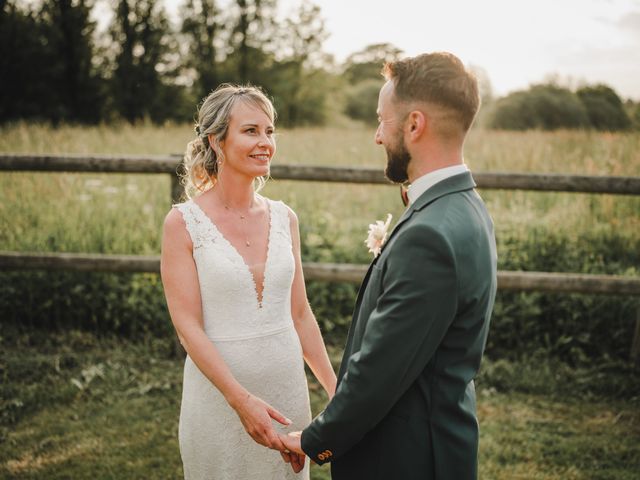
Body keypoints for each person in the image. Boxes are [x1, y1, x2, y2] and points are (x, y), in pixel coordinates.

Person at [279, 52, 498, 479]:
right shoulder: (467, 207)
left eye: (382, 120)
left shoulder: (429, 235)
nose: (378, 136)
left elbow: (380, 369)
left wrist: (314, 441)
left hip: (403, 459)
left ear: (415, 125)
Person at [160, 84, 336, 479]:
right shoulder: (182, 223)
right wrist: (241, 401)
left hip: (286, 395)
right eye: (251, 131)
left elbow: (300, 314)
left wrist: (337, 392)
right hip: (219, 401)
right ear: (216, 141)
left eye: (270, 131)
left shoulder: (284, 217)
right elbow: (187, 327)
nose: (265, 143)